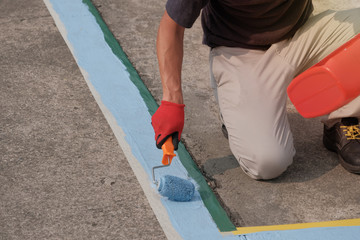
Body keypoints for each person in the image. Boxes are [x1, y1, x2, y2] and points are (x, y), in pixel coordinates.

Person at [151, 0, 360, 180]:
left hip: (304, 33)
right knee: (268, 161)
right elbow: (172, 26)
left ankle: (344, 118)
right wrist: (172, 99)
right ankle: (234, 107)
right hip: (241, 53)